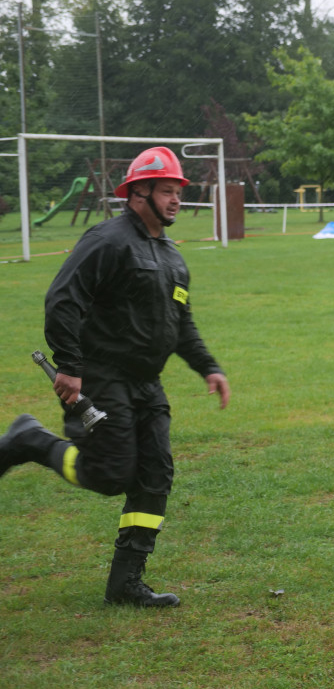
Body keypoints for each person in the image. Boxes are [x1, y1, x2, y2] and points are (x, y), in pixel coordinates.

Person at [0, 146, 230, 608]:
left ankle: (126, 583)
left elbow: (180, 322)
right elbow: (63, 299)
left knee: (155, 475)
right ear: (138, 193)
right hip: (102, 377)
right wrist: (69, 365)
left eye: (177, 191)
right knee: (108, 476)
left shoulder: (170, 255)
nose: (175, 200)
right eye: (166, 191)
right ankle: (30, 440)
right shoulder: (108, 240)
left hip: (146, 383)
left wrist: (208, 366)